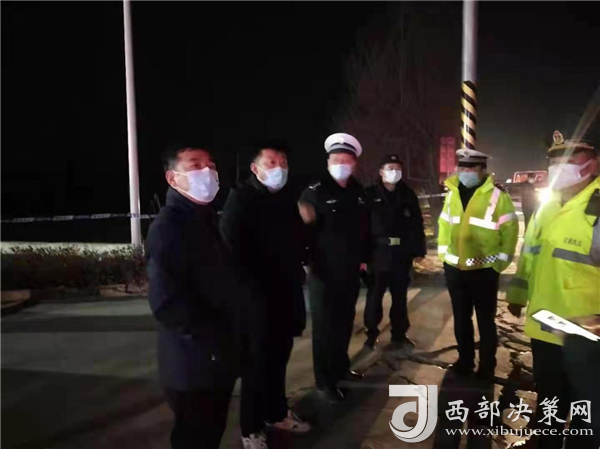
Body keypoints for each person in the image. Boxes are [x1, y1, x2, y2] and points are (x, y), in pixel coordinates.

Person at [507, 131, 600, 449]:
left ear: (593, 162)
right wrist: (517, 294)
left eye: (571, 158)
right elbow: (530, 254)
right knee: (549, 399)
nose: (560, 165)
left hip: (587, 334)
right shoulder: (547, 205)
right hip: (545, 327)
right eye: (555, 159)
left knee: (586, 408)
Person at [146, 145, 242, 449]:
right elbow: (166, 304)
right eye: (195, 165)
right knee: (195, 438)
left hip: (216, 359)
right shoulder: (169, 228)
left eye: (211, 165)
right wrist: (213, 342)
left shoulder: (204, 220)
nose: (208, 172)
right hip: (192, 364)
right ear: (173, 178)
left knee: (211, 432)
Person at [220, 141, 310, 435]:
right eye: (271, 162)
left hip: (286, 296)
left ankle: (276, 412)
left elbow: (296, 242)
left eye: (283, 163)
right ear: (255, 168)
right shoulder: (241, 199)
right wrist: (247, 298)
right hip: (256, 302)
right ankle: (251, 429)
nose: (279, 168)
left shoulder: (286, 199)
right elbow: (231, 251)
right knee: (256, 367)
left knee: (279, 361)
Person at [298, 133, 369, 402]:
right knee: (325, 328)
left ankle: (341, 368)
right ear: (328, 162)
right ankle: (325, 381)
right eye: (336, 159)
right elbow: (302, 231)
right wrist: (306, 262)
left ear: (354, 164)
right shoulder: (314, 191)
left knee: (344, 322)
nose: (341, 164)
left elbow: (364, 229)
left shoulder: (357, 191)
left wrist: (364, 259)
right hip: (323, 272)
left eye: (346, 160)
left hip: (350, 271)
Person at [438, 148, 519, 382]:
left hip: (485, 272)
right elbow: (444, 225)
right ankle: (465, 361)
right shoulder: (452, 193)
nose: (465, 172)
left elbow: (510, 231)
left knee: (485, 322)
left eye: (471, 167)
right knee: (461, 319)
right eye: (462, 167)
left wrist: (499, 265)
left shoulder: (498, 196)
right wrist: (444, 257)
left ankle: (487, 366)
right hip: (455, 270)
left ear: (483, 170)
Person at [363, 154, 427, 349]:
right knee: (375, 296)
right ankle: (371, 332)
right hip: (377, 253)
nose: (394, 172)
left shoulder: (407, 195)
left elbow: (417, 223)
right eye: (390, 168)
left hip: (401, 253)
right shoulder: (369, 194)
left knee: (400, 297)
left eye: (398, 168)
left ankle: (399, 333)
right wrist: (362, 255)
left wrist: (419, 250)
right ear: (381, 172)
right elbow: (362, 226)